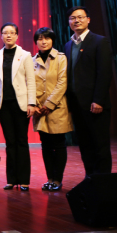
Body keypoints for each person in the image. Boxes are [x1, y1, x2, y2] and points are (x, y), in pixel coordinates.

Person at [63, 6, 112, 175]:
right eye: (72, 18)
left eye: (80, 17)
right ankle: (90, 179)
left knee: (100, 145)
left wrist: (98, 100)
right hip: (77, 105)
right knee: (85, 145)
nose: (76, 21)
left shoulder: (99, 41)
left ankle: (103, 182)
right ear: (69, 22)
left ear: (88, 19)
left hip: (95, 104)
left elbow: (104, 73)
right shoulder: (68, 45)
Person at [0, 22, 36, 191]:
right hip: (4, 104)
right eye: (5, 33)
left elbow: (31, 81)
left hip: (21, 104)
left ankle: (24, 180)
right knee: (9, 142)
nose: (8, 35)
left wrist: (31, 102)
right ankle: (11, 179)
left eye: (12, 32)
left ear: (17, 35)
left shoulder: (25, 55)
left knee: (21, 140)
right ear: (1, 36)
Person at [31, 27, 73, 191]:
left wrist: (49, 104)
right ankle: (49, 178)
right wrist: (35, 104)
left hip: (57, 107)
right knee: (46, 144)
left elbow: (62, 82)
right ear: (36, 42)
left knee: (59, 143)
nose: (43, 41)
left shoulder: (61, 58)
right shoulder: (32, 60)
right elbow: (29, 84)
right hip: (39, 110)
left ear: (52, 40)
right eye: (40, 39)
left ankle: (58, 179)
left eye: (47, 38)